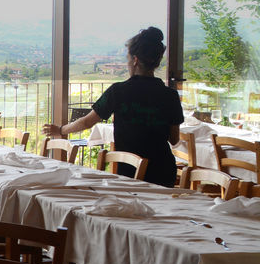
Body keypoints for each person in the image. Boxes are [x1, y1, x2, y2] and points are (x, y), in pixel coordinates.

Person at [43, 27, 182, 187]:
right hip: (163, 172)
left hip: (130, 173)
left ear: (135, 60)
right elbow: (174, 139)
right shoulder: (170, 95)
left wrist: (60, 130)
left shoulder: (118, 91)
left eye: (128, 59)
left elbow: (87, 122)